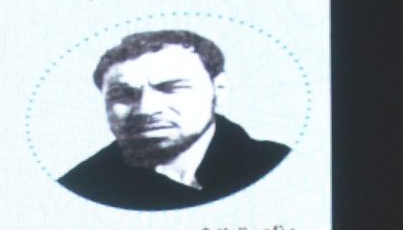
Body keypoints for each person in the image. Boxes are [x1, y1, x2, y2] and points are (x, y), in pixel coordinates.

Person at [56, 29, 290, 211]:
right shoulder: (81, 186)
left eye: (170, 88)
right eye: (123, 94)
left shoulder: (275, 165)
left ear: (218, 90)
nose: (146, 109)